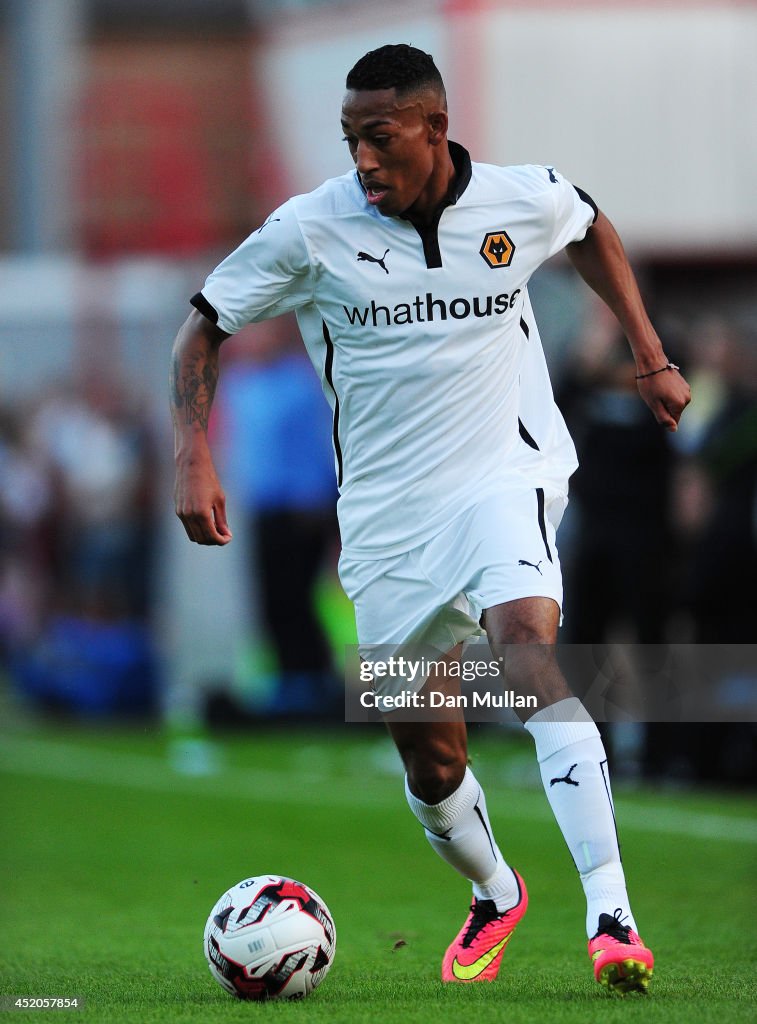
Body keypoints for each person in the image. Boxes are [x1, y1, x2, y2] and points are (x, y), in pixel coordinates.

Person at [170, 44, 690, 994]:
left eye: (379, 138)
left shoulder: (515, 198)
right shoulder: (309, 230)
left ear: (433, 128)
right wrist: (193, 452)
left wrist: (649, 352)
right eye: (349, 141)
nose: (361, 160)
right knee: (429, 755)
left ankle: (610, 914)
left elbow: (587, 225)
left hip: (505, 475)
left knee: (528, 653)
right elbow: (204, 320)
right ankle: (495, 889)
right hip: (385, 517)